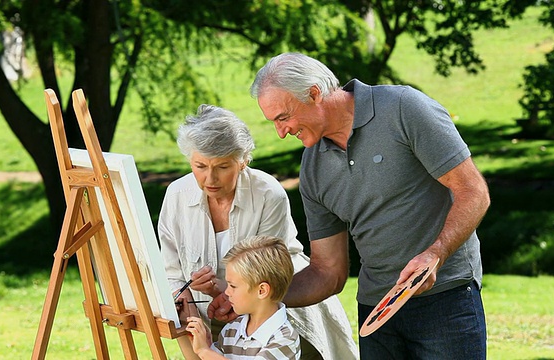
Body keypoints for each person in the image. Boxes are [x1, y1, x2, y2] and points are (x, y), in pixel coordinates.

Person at [231, 52, 490, 359]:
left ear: (314, 93)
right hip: (375, 310)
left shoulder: (403, 108)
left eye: (283, 117)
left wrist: (436, 253)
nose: (281, 132)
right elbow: (328, 272)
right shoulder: (312, 169)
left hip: (445, 298)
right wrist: (255, 297)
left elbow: (474, 192)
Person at [159, 104, 359, 360]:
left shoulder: (267, 193)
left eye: (222, 167)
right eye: (200, 166)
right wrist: (184, 302)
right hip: (207, 318)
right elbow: (171, 272)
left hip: (273, 315)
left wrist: (219, 289)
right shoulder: (176, 195)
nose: (210, 179)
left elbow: (267, 274)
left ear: (243, 161)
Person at [186, 235, 300, 359]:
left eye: (233, 286)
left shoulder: (285, 340)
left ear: (262, 291)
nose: (227, 292)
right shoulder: (231, 330)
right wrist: (206, 344)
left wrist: (204, 351)